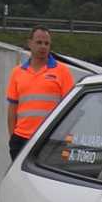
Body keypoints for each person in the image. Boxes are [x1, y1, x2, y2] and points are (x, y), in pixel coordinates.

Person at [6, 26, 75, 162]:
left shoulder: (62, 72)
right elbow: (12, 108)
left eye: (47, 43)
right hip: (21, 139)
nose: (43, 46)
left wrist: (63, 138)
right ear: (29, 43)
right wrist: (12, 137)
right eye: (39, 42)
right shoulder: (17, 72)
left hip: (50, 140)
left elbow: (70, 109)